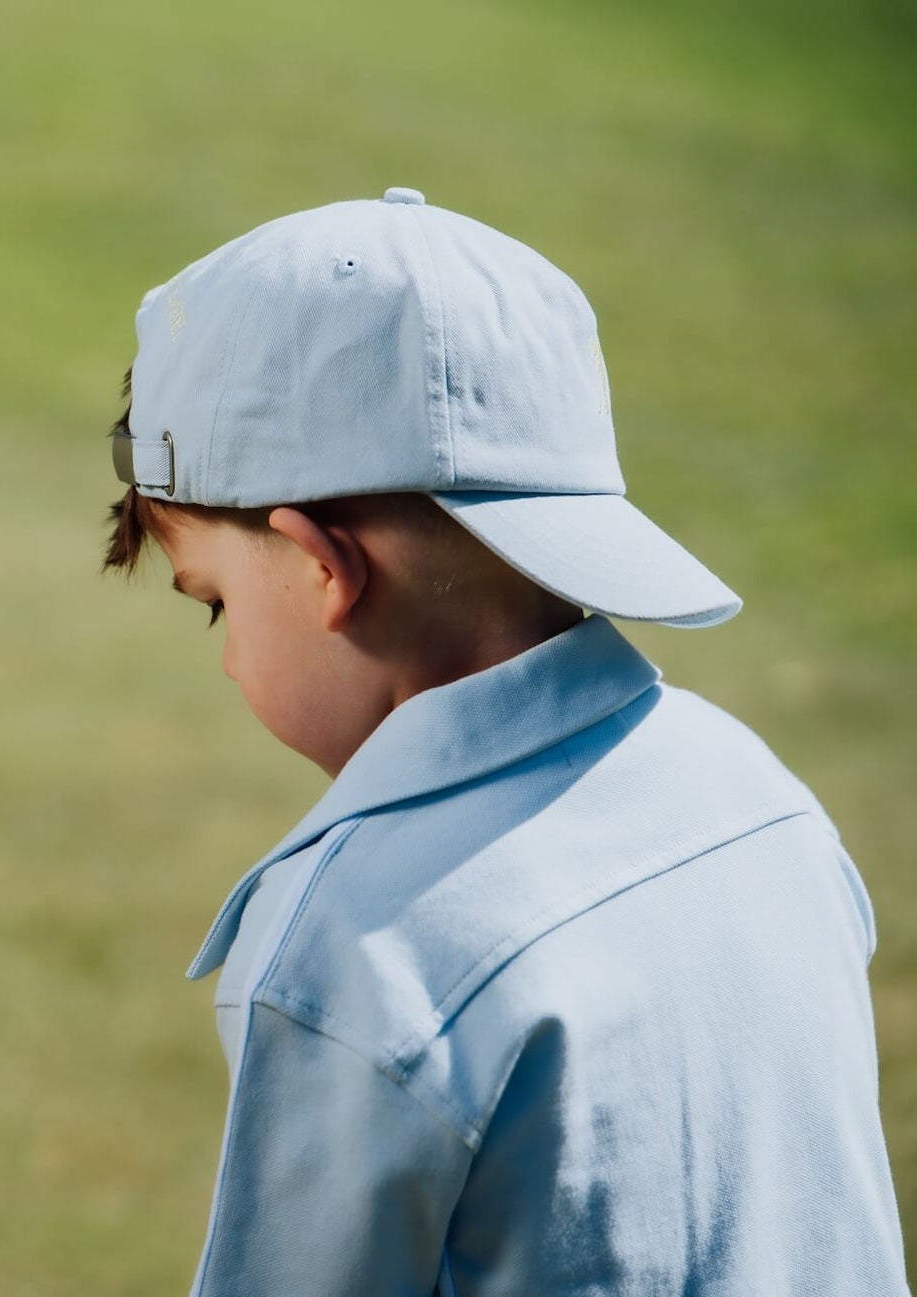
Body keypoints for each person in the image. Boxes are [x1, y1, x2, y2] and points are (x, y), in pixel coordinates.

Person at [99, 187, 908, 1295]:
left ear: (322, 568)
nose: (228, 656)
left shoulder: (356, 947)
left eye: (213, 603)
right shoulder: (756, 799)